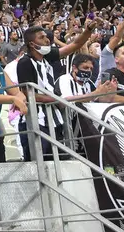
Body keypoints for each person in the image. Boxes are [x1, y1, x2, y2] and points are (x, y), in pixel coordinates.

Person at [14, 22, 94, 160]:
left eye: (46, 36)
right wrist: (57, 99)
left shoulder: (47, 56)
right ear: (32, 44)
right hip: (36, 120)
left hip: (54, 120)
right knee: (39, 163)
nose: (47, 40)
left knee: (58, 162)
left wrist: (88, 30)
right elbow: (28, 94)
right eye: (42, 37)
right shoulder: (25, 62)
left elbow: (74, 46)